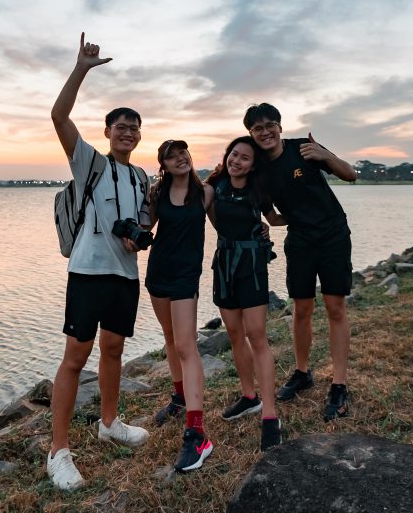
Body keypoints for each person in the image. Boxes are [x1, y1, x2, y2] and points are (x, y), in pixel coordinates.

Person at [46, 33, 151, 490]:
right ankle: (58, 451)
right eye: (120, 127)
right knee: (76, 356)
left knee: (114, 350)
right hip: (88, 273)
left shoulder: (141, 175)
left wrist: (137, 239)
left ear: (139, 135)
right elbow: (58, 116)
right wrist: (81, 70)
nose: (127, 133)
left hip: (124, 276)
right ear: (108, 133)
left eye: (134, 128)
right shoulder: (90, 162)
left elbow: (144, 221)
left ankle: (109, 422)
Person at [243, 103, 358, 422]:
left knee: (335, 306)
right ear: (251, 134)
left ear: (280, 126)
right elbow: (272, 215)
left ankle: (339, 384)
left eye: (270, 125)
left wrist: (325, 156)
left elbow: (351, 175)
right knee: (302, 308)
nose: (265, 132)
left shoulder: (304, 148)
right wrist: (265, 225)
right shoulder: (259, 169)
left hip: (333, 234)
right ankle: (302, 372)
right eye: (257, 128)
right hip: (300, 240)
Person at [206, 136, 285, 451]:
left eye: (244, 158)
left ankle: (269, 415)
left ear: (253, 165)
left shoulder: (258, 190)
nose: (236, 161)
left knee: (257, 336)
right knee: (235, 334)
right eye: (233, 155)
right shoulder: (215, 185)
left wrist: (292, 216)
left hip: (252, 266)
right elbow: (202, 211)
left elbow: (276, 217)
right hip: (225, 264)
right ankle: (248, 396)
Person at [146, 139, 216, 472]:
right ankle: (178, 397)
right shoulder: (157, 194)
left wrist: (258, 228)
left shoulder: (205, 193)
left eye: (182, 154)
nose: (179, 159)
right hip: (158, 272)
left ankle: (197, 431)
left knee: (188, 346)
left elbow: (226, 223)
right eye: (171, 157)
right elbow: (145, 228)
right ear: (164, 165)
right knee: (170, 338)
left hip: (186, 277)